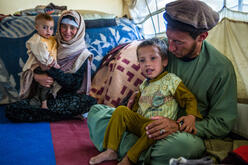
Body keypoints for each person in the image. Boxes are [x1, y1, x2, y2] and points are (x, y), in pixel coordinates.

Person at [87, 0, 237, 164]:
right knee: (96, 113)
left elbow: (221, 124)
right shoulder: (162, 49)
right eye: (169, 38)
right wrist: (140, 94)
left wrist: (178, 125)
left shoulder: (221, 69)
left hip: (180, 134)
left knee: (179, 147)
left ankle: (126, 149)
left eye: (178, 42)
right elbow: (152, 80)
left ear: (202, 36)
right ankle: (136, 152)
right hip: (146, 121)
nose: (170, 48)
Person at [89, 38, 202, 165]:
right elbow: (137, 106)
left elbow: (189, 99)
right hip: (140, 122)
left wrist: (191, 116)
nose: (147, 64)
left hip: (158, 126)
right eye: (142, 60)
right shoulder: (143, 85)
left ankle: (129, 158)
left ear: (164, 61)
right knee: (121, 110)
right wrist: (128, 115)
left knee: (153, 129)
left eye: (153, 58)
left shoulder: (171, 80)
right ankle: (111, 150)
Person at [5, 10, 97, 122]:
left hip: (65, 98)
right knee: (11, 109)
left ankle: (43, 113)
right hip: (44, 94)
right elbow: (32, 64)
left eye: (72, 28)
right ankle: (53, 113)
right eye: (64, 26)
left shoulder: (83, 55)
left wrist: (49, 69)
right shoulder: (50, 42)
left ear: (79, 30)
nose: (67, 31)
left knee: (89, 102)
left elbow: (73, 84)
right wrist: (36, 76)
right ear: (59, 26)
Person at [19, 13, 60, 109]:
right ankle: (43, 103)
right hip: (38, 66)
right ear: (37, 28)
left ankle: (39, 98)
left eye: (51, 28)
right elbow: (42, 54)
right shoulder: (36, 39)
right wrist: (52, 63)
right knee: (45, 84)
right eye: (45, 27)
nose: (48, 31)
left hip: (48, 66)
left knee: (46, 84)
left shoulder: (51, 39)